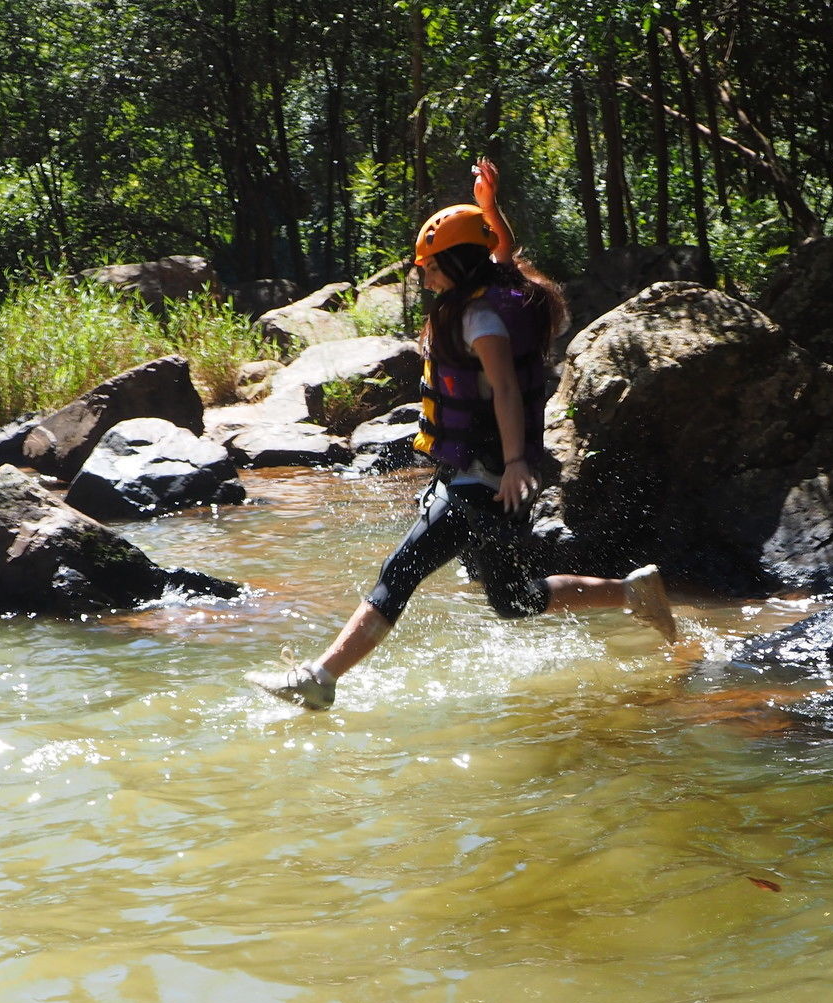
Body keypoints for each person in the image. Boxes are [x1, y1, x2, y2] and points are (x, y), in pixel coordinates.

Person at [247, 157, 682, 710]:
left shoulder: (481, 320)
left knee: (398, 574)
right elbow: (498, 248)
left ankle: (319, 678)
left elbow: (503, 390)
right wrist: (489, 207)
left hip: (485, 478)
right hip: (489, 475)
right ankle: (632, 593)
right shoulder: (501, 287)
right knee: (515, 599)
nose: (423, 276)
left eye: (429, 266)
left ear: (454, 264)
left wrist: (517, 462)